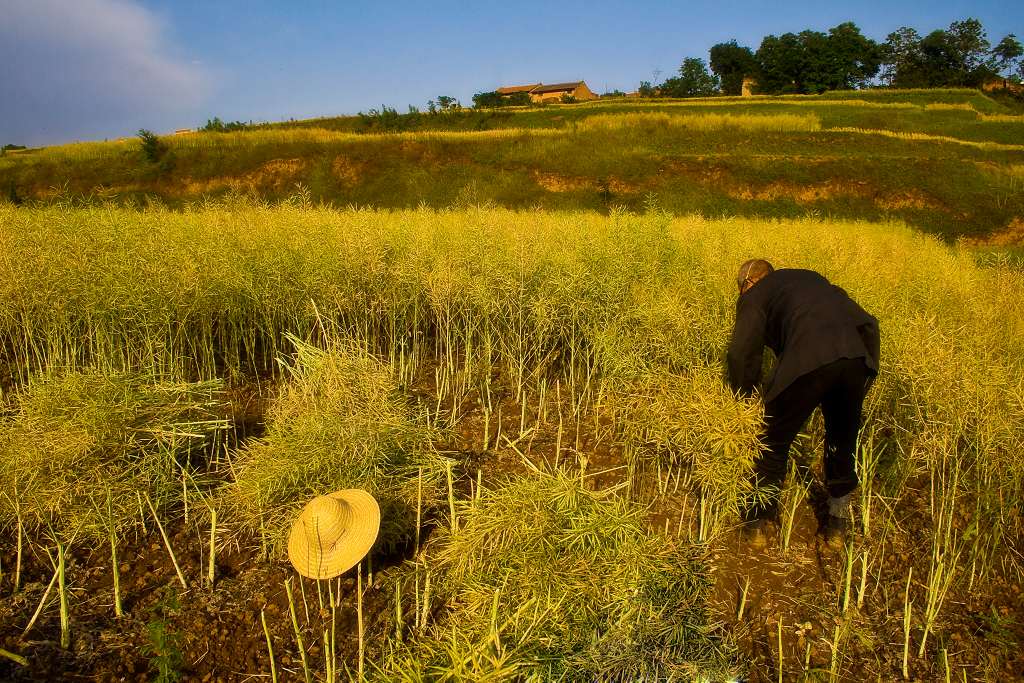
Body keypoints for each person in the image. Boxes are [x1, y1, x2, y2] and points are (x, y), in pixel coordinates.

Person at [726, 259, 879, 548]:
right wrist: (867, 374)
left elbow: (740, 352)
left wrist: (743, 399)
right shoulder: (812, 280)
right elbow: (869, 323)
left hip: (807, 361)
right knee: (841, 442)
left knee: (771, 439)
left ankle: (757, 523)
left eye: (740, 289)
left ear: (749, 281)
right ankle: (837, 526)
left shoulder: (755, 294)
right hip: (855, 360)